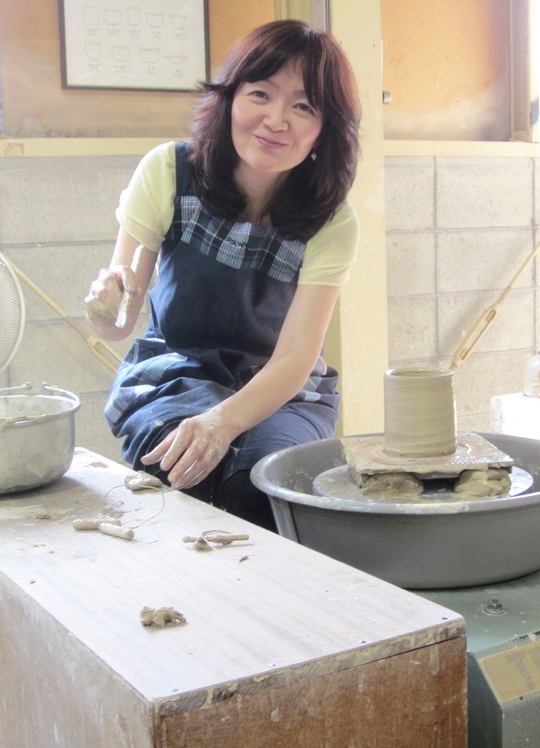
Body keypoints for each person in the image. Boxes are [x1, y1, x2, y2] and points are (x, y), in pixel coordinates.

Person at [84, 20, 361, 531]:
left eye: (303, 107)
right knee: (181, 470)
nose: (276, 120)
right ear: (229, 98)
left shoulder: (332, 221)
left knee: (265, 487)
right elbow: (118, 321)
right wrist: (106, 307)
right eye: (260, 94)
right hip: (175, 370)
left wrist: (223, 422)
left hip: (281, 385)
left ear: (326, 129)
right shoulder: (168, 171)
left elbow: (296, 358)